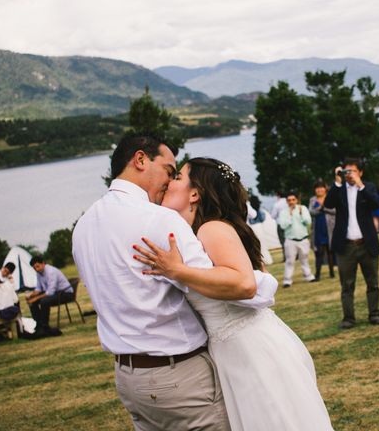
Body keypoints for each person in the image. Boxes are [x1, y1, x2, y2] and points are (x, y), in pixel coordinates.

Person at [72, 134, 277, 431]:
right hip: (178, 377)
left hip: (128, 379)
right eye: (169, 171)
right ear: (140, 160)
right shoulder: (159, 220)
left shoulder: (84, 227)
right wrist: (263, 283)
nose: (169, 181)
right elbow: (231, 287)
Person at [133, 157, 334, 431]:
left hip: (250, 349)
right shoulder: (195, 233)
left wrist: (177, 271)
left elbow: (244, 283)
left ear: (195, 193)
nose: (169, 182)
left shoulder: (211, 228)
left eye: (178, 177)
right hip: (231, 350)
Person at [324, 158, 379, 329]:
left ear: (360, 172)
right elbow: (327, 204)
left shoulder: (368, 187)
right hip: (346, 245)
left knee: (372, 282)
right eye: (346, 171)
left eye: (352, 171)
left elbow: (376, 204)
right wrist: (336, 182)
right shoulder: (339, 190)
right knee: (347, 285)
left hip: (367, 243)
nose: (349, 174)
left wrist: (360, 186)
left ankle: (375, 314)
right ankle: (349, 318)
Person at [278, 192, 316, 287]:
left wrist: (301, 214)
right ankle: (287, 280)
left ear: (296, 200)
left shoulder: (302, 208)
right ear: (287, 201)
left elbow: (308, 221)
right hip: (290, 240)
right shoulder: (283, 212)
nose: (291, 202)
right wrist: (290, 216)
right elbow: (283, 225)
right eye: (289, 200)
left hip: (303, 239)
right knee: (290, 261)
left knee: (304, 259)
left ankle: (308, 276)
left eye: (293, 199)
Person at [26, 255, 73, 332]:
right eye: (34, 268)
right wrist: (30, 296)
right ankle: (39, 324)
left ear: (43, 263)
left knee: (44, 301)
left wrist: (36, 298)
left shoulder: (51, 272)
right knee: (32, 302)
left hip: (65, 293)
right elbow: (38, 288)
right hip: (55, 293)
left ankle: (45, 326)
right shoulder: (39, 273)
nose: (36, 269)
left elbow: (50, 292)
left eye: (38, 266)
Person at [309, 180, 335, 281]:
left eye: (321, 187)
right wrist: (320, 208)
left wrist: (324, 209)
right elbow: (311, 212)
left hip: (330, 229)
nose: (319, 190)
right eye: (317, 188)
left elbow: (335, 210)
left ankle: (332, 273)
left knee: (330, 252)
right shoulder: (312, 200)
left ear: (325, 189)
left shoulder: (330, 197)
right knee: (319, 253)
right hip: (318, 229)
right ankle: (317, 275)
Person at [271, 192, 288, 261]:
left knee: (283, 241)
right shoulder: (288, 201)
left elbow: (273, 215)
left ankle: (286, 257)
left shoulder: (277, 204)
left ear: (278, 196)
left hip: (280, 224)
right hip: (289, 223)